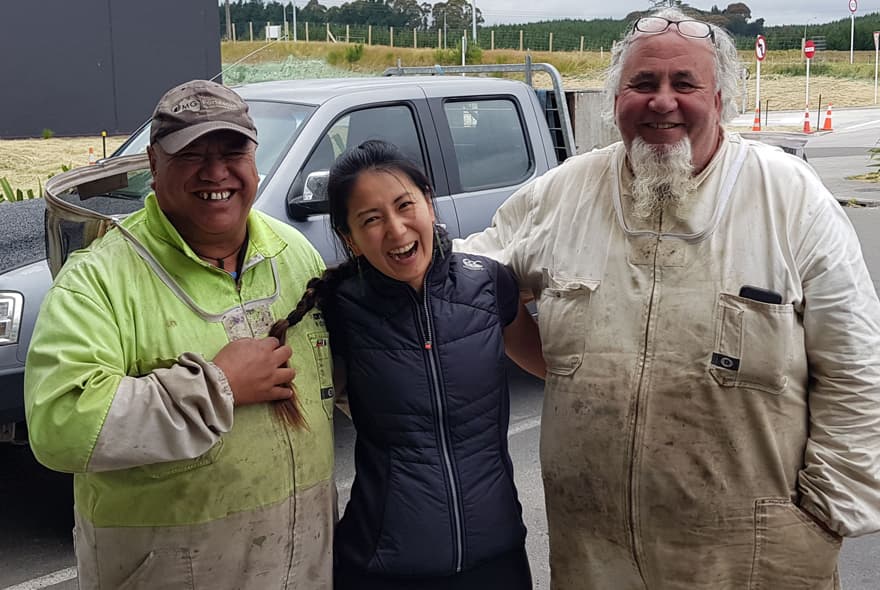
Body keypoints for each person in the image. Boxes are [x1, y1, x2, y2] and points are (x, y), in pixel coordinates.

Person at [457, 8, 880, 590]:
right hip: (594, 551)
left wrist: (825, 512)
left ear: (722, 98)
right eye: (643, 84)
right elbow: (470, 273)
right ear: (615, 99)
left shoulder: (790, 199)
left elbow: (857, 368)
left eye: (685, 84)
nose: (662, 102)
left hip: (754, 556)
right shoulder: (563, 194)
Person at [24, 79, 335, 589]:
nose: (216, 171)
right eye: (190, 152)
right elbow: (60, 426)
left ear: (254, 157)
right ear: (153, 163)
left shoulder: (293, 252)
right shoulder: (98, 281)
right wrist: (219, 387)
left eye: (232, 149)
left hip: (301, 571)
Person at [270, 139, 544, 590]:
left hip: (498, 555)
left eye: (404, 205)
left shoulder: (488, 284)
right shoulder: (338, 310)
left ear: (429, 203)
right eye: (371, 220)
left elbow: (556, 368)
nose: (396, 230)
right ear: (348, 237)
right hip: (385, 564)